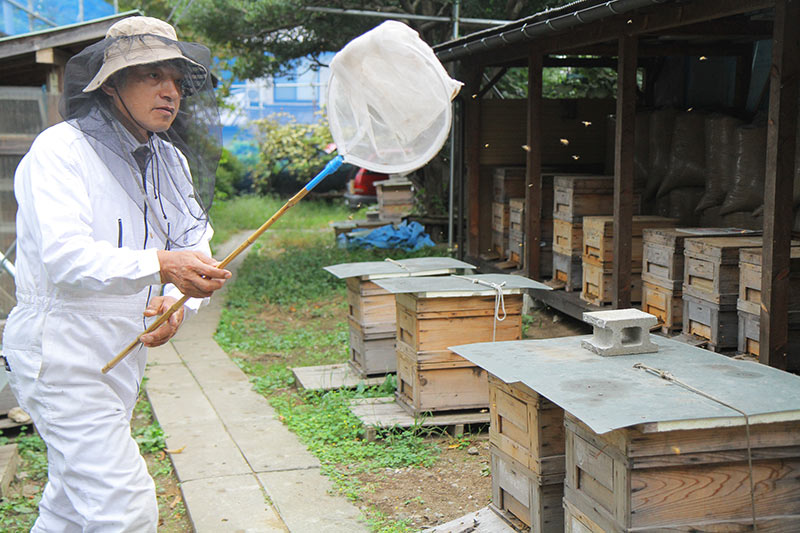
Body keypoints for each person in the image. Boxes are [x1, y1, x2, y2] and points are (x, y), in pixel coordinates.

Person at [1, 16, 230, 531]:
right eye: (152, 75)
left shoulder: (170, 161)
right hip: (61, 352)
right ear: (111, 83)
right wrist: (162, 265)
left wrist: (177, 304)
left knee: (68, 507)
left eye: (176, 79)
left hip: (120, 354)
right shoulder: (60, 151)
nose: (170, 91)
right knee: (123, 506)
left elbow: (194, 248)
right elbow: (66, 258)